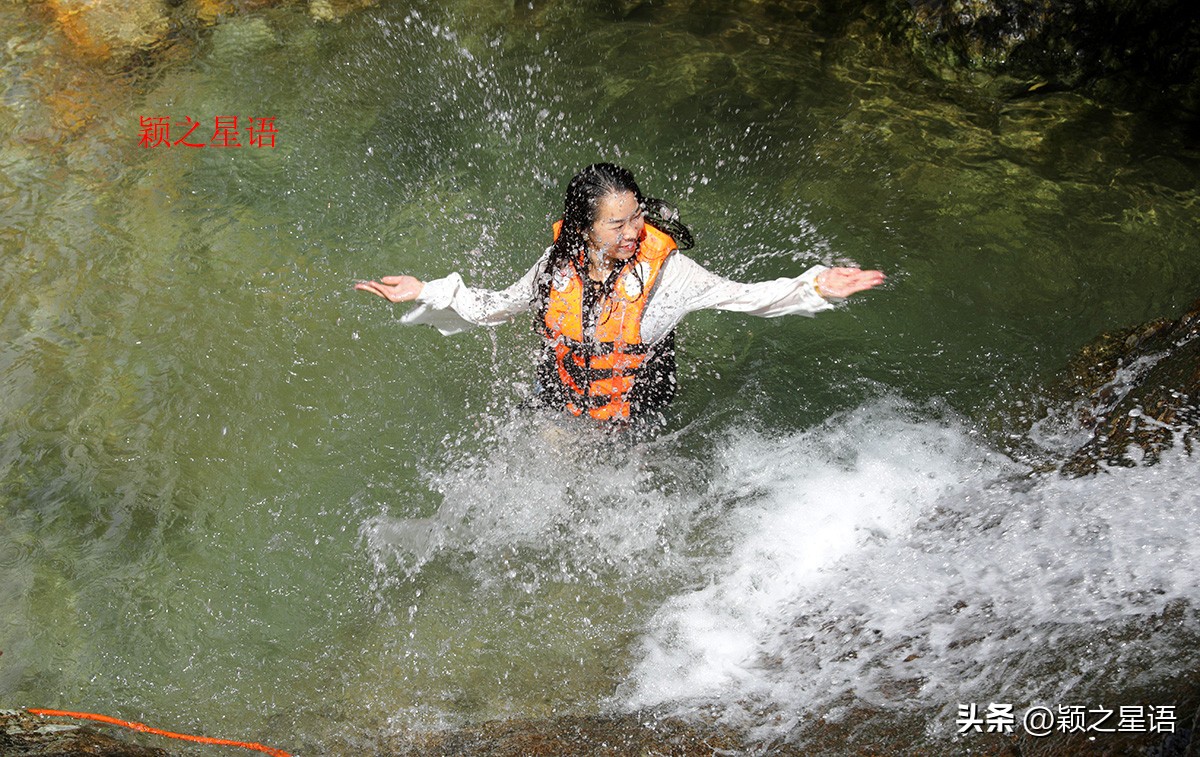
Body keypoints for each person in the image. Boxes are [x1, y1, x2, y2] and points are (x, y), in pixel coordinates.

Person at [355, 163, 884, 422]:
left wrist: (816, 285)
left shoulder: (671, 275)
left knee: (627, 470)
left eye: (636, 217)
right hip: (568, 383)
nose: (632, 232)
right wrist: (428, 290)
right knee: (546, 449)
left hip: (641, 390)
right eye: (617, 223)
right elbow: (499, 306)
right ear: (583, 229)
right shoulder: (556, 267)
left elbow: (749, 297)